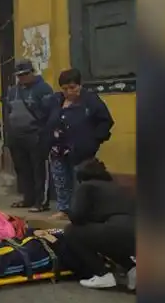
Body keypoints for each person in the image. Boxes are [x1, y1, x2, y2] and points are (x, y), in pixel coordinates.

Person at [42, 69, 114, 219]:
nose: (69, 92)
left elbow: (105, 121)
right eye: (65, 88)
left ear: (80, 85)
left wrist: (95, 139)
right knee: (61, 180)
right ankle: (64, 209)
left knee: (79, 180)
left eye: (73, 87)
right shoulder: (56, 101)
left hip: (81, 149)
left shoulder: (91, 101)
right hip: (58, 149)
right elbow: (45, 119)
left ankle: (80, 210)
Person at [58, 158, 136, 290]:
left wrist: (67, 212)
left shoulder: (87, 186)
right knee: (104, 237)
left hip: (117, 230)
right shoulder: (119, 187)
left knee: (72, 231)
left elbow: (77, 217)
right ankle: (132, 270)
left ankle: (102, 274)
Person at [4, 59, 54, 212]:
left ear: (32, 72)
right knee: (22, 169)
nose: (22, 78)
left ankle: (40, 201)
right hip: (17, 136)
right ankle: (28, 198)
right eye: (19, 75)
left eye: (25, 74)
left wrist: (44, 132)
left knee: (38, 169)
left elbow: (50, 113)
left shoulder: (43, 88)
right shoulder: (13, 90)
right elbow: (8, 111)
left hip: (36, 135)